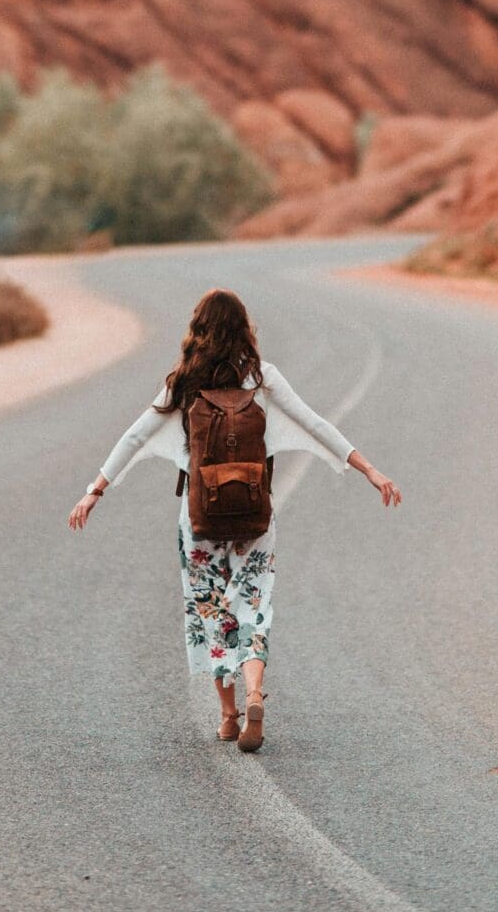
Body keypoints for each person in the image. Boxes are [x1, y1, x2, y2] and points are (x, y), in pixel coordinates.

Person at [68, 288, 400, 752]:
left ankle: (228, 717)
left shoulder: (183, 383)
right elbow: (314, 424)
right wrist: (369, 469)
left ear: (198, 331)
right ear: (244, 329)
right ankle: (256, 693)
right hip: (255, 518)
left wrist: (94, 492)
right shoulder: (262, 379)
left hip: (200, 519)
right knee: (253, 605)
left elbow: (134, 436)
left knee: (212, 610)